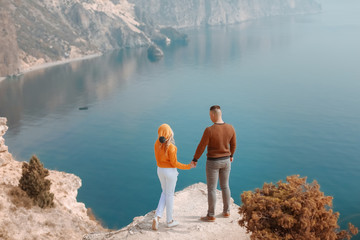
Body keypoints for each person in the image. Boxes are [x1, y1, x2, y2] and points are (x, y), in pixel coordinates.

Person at [192, 105, 236, 222]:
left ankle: (211, 215)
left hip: (213, 162)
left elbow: (201, 146)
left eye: (209, 115)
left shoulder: (209, 130)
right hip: (226, 161)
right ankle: (226, 212)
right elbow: (233, 144)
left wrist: (195, 159)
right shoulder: (230, 128)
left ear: (212, 115)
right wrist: (231, 155)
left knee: (212, 188)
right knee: (225, 186)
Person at [152, 123, 195, 230]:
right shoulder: (172, 147)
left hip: (160, 170)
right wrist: (188, 166)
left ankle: (157, 216)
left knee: (164, 193)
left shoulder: (156, 144)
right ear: (169, 134)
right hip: (170, 172)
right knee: (169, 195)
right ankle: (169, 221)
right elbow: (175, 163)